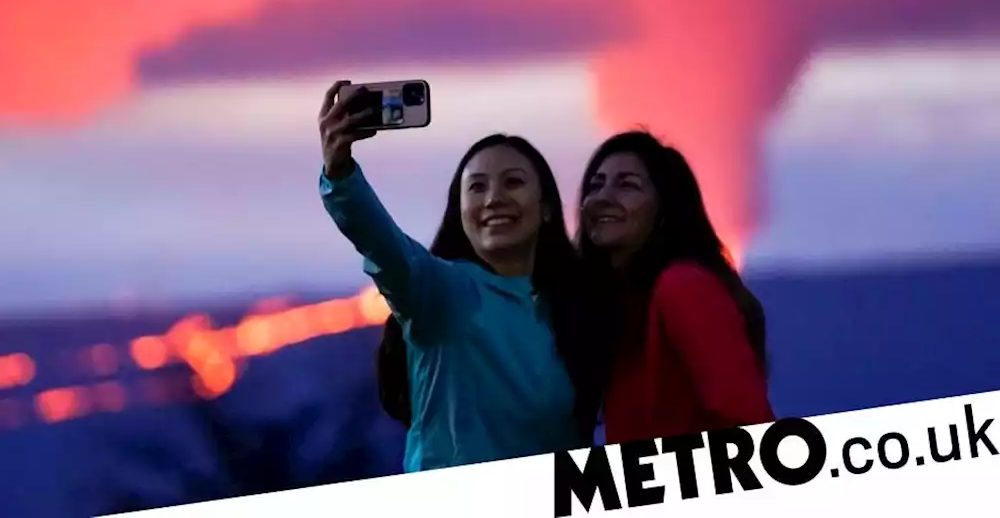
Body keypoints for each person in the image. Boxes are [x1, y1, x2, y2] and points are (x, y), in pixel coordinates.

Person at [316, 81, 608, 471]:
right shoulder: (445, 294)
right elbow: (384, 246)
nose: (493, 198)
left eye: (514, 182)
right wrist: (341, 175)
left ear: (548, 209)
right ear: (460, 210)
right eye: (477, 187)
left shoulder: (576, 313)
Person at [575, 130, 774, 444]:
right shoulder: (618, 308)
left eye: (627, 185)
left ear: (665, 209)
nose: (603, 198)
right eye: (596, 185)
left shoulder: (682, 286)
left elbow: (746, 419)